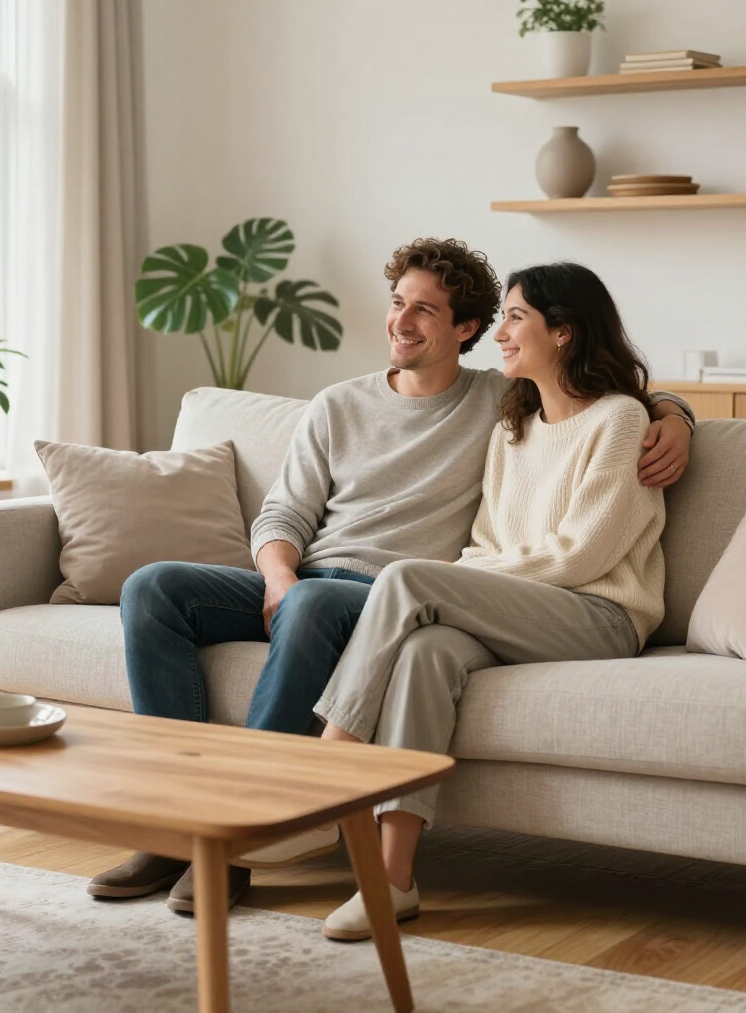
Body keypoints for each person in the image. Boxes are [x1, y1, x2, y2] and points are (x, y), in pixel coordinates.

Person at [86, 241, 694, 913]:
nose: (403, 320)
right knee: (154, 588)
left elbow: (601, 397)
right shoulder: (340, 404)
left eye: (425, 310)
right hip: (313, 580)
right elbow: (282, 512)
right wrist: (278, 576)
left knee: (318, 603)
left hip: (392, 592)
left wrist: (676, 416)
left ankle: (253, 814)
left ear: (465, 329)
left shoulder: (499, 401)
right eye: (398, 303)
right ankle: (175, 827)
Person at [315, 262, 668, 941]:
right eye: (501, 317)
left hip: (599, 616)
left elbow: (580, 556)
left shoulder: (621, 420)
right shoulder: (514, 425)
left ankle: (331, 755)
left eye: (515, 318)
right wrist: (477, 581)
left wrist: (471, 581)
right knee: (425, 651)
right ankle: (393, 882)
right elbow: (482, 544)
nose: (500, 334)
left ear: (563, 333)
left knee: (409, 578)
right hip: (523, 611)